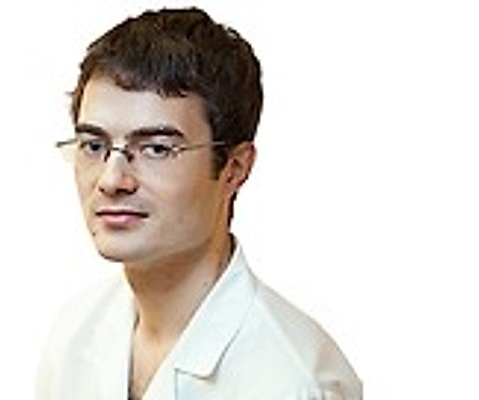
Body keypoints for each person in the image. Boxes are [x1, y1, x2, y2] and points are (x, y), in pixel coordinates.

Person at [38, 7, 362, 400]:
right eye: (94, 145)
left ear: (235, 168)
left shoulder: (294, 382)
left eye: (157, 149)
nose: (111, 180)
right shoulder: (73, 335)